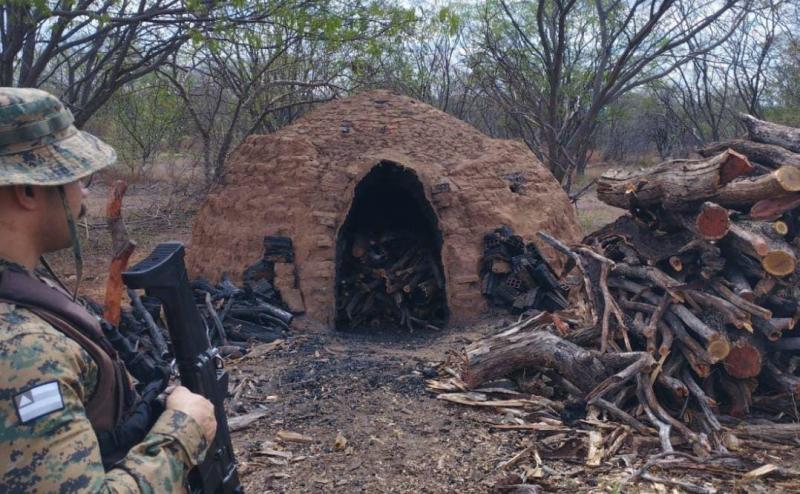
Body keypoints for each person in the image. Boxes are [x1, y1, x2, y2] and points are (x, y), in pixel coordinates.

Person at [0, 87, 217, 493]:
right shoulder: (24, 347)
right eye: (75, 177)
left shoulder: (24, 288)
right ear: (27, 190)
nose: (84, 192)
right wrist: (182, 434)